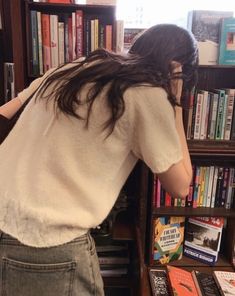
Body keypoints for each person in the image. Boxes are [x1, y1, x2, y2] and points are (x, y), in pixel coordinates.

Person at [0, 23, 198, 295]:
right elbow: (180, 185)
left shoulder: (73, 68)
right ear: (179, 70)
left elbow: (4, 114)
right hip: (47, 242)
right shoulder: (148, 95)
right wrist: (173, 102)